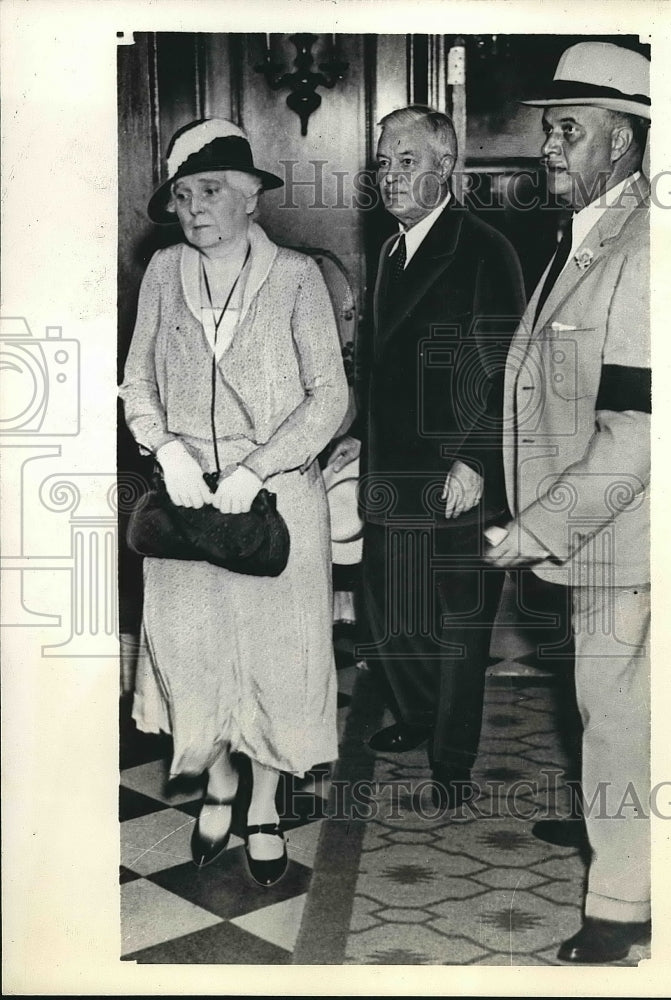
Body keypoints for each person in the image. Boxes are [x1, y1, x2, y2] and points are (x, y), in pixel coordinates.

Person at [120, 118, 348, 886]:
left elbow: (328, 397)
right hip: (186, 505)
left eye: (210, 190)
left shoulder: (295, 277)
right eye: (182, 194)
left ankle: (262, 802)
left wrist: (256, 467)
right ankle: (216, 775)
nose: (193, 207)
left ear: (252, 198)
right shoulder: (161, 273)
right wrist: (167, 450)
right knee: (192, 651)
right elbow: (137, 384)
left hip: (274, 503)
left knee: (275, 661)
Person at [486, 42, 651, 962]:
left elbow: (636, 427)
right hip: (596, 534)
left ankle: (621, 908)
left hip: (626, 534)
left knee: (622, 717)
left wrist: (535, 528)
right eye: (550, 129)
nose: (547, 147)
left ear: (620, 143)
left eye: (567, 130)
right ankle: (619, 851)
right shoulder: (586, 234)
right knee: (606, 708)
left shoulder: (646, 243)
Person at [329, 106, 526, 808]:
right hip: (390, 467)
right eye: (384, 162)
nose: (390, 176)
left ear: (446, 166)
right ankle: (415, 715)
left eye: (406, 161)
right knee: (391, 608)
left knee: (455, 622)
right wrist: (356, 436)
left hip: (452, 473)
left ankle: (451, 759)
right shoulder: (387, 252)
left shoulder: (482, 248)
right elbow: (378, 370)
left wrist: (475, 460)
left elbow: (501, 364)